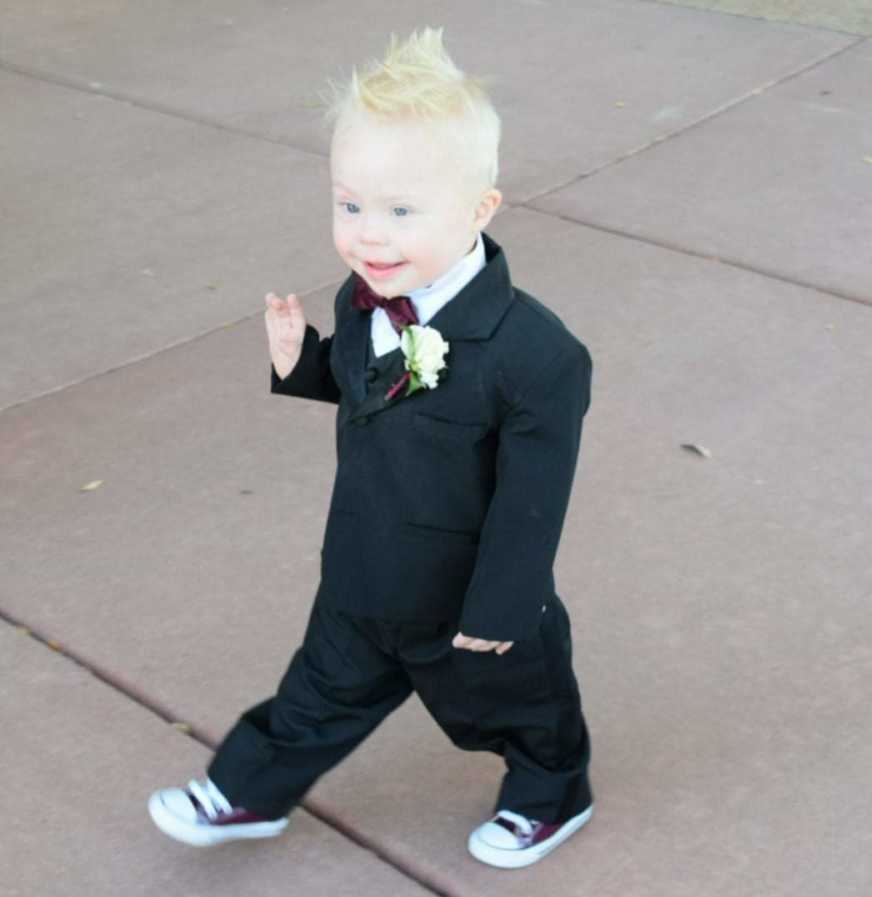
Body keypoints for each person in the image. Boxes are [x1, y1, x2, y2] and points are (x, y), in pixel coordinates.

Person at [148, 25, 594, 869]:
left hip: (467, 600)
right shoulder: (365, 303)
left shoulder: (538, 357)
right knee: (317, 691)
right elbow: (369, 393)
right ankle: (249, 788)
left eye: (399, 210)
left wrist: (501, 610)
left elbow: (533, 501)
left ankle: (552, 790)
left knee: (516, 707)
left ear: (478, 210)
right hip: (360, 567)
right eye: (349, 205)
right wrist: (303, 364)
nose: (369, 235)